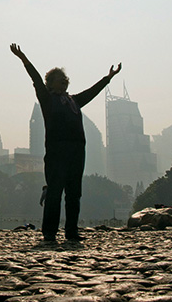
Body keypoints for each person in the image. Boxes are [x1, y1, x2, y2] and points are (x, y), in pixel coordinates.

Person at [11, 44, 121, 242]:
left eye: (65, 79)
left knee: (74, 193)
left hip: (77, 151)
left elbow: (92, 92)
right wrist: (24, 58)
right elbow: (35, 79)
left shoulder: (73, 100)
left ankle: (71, 231)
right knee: (55, 192)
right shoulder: (46, 99)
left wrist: (108, 78)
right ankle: (50, 233)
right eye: (59, 79)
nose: (63, 81)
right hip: (57, 150)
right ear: (51, 83)